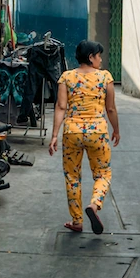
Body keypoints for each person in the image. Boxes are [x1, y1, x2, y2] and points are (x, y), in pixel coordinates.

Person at [49, 39, 120, 234]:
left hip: (72, 131)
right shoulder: (105, 77)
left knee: (72, 176)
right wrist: (116, 130)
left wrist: (54, 135)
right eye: (99, 56)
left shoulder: (67, 77)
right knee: (103, 173)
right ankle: (95, 204)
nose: (100, 59)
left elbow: (61, 107)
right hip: (97, 131)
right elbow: (111, 108)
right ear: (91, 57)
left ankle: (77, 220)